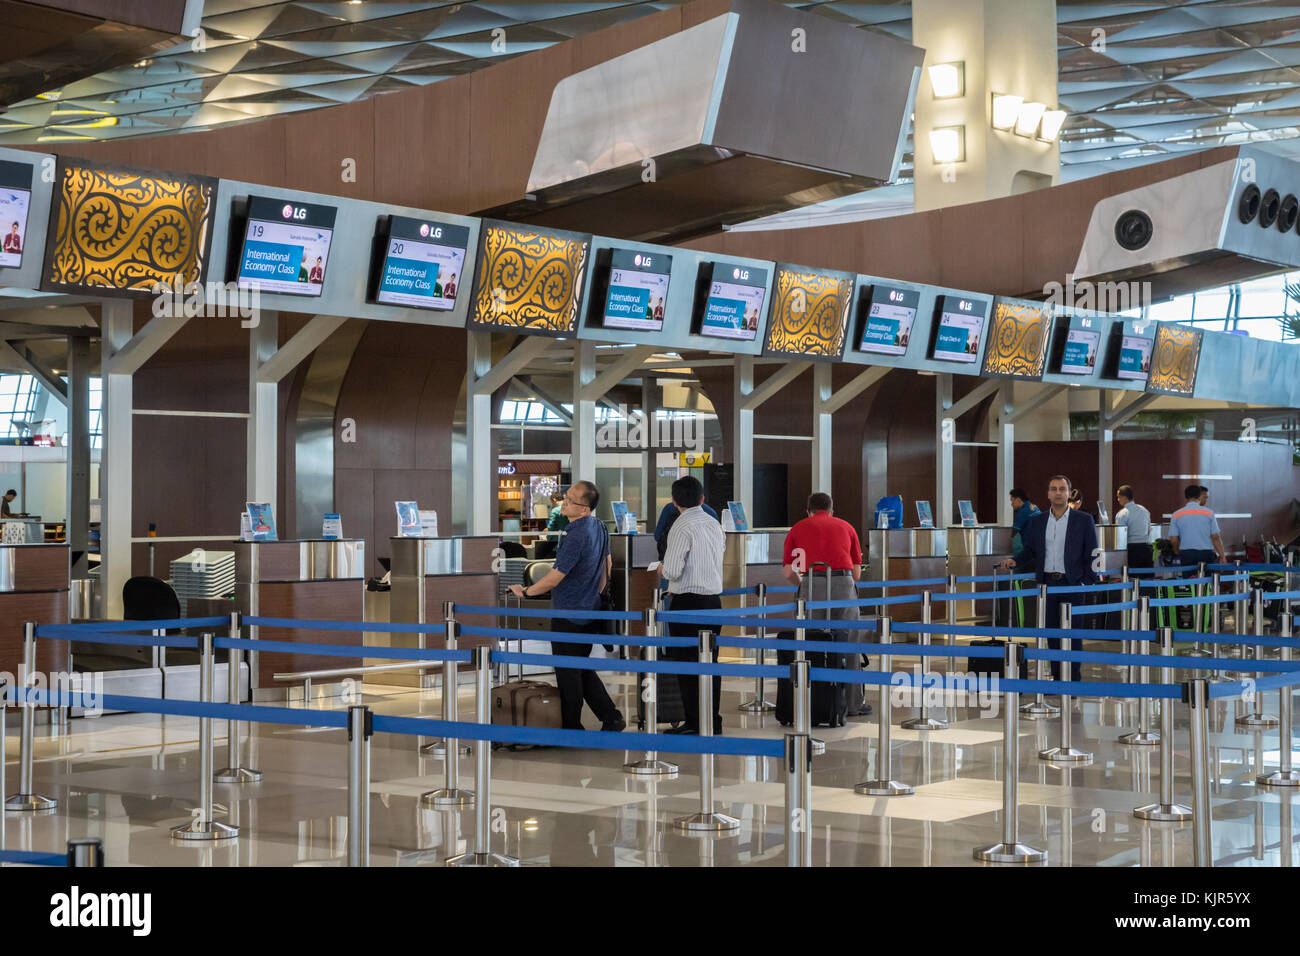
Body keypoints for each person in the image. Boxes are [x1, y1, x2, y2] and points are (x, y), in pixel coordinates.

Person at [508, 481, 625, 733]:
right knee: (580, 668)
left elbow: (555, 576)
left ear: (584, 509)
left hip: (568, 612)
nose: (565, 503)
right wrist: (596, 594)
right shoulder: (600, 526)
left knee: (568, 673)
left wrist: (526, 591)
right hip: (589, 609)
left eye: (572, 501)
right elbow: (608, 563)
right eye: (566, 497)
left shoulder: (577, 534)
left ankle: (572, 727)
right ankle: (611, 717)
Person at [999, 475, 1098, 683]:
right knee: (1052, 635)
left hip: (1073, 585)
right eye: (1054, 489)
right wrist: (1015, 561)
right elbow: (1031, 550)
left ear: (1069, 493)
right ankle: (1057, 677)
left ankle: (1072, 680)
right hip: (1048, 586)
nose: (1058, 492)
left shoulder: (1083, 520)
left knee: (1072, 636)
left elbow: (1093, 552)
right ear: (1048, 493)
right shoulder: (1039, 521)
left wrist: (1086, 581)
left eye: (1062, 489)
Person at [781, 492, 869, 717]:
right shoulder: (847, 527)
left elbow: (788, 571)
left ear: (808, 510)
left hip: (812, 584)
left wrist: (803, 584)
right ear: (832, 510)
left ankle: (814, 701)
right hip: (844, 585)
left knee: (811, 644)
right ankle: (852, 704)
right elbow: (857, 573)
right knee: (850, 644)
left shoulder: (797, 529)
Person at [659, 475, 726, 735]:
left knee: (687, 664)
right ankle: (712, 720)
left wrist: (662, 568)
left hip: (687, 603)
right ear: (702, 499)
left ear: (674, 501)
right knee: (711, 663)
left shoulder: (681, 525)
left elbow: (673, 570)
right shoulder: (713, 523)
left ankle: (695, 722)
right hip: (713, 601)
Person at [1168, 484, 1226, 573]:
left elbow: (1174, 539)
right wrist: (1222, 556)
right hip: (1206, 554)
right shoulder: (1209, 513)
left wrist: (1177, 551)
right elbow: (1215, 537)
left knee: (1189, 582)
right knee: (1206, 582)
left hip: (1186, 554)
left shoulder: (1176, 514)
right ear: (1199, 496)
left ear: (1186, 497)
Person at [1115, 484, 1153, 570]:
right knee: (1147, 578)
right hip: (1147, 548)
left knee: (1133, 579)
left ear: (1124, 497)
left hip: (1132, 550)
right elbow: (1149, 530)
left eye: (1118, 497)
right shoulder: (1144, 510)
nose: (1118, 500)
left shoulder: (1122, 514)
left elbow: (1120, 536)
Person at [1009, 488, 1040, 555]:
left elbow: (1013, 532)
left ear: (1018, 500)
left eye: (1012, 501)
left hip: (1030, 550)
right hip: (1039, 547)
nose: (1011, 504)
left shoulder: (1023, 511)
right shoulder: (1034, 507)